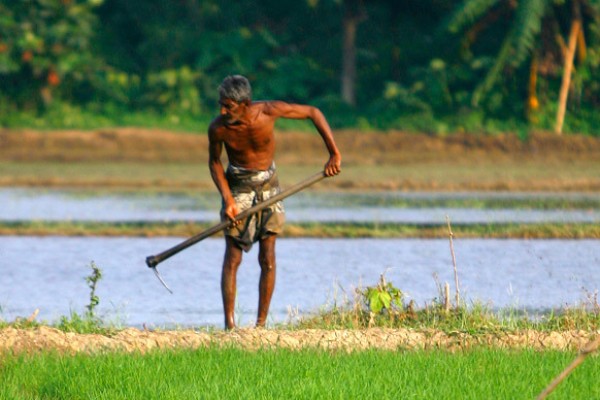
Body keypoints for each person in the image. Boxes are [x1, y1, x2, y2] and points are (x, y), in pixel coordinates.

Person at [208, 75, 342, 330]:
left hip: (269, 186)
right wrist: (227, 200)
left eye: (229, 106)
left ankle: (261, 326)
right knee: (233, 257)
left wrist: (333, 153)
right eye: (221, 105)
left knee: (267, 257)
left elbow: (314, 112)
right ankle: (230, 326)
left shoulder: (268, 111)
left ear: (245, 104)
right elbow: (214, 162)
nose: (223, 111)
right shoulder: (218, 128)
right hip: (238, 186)